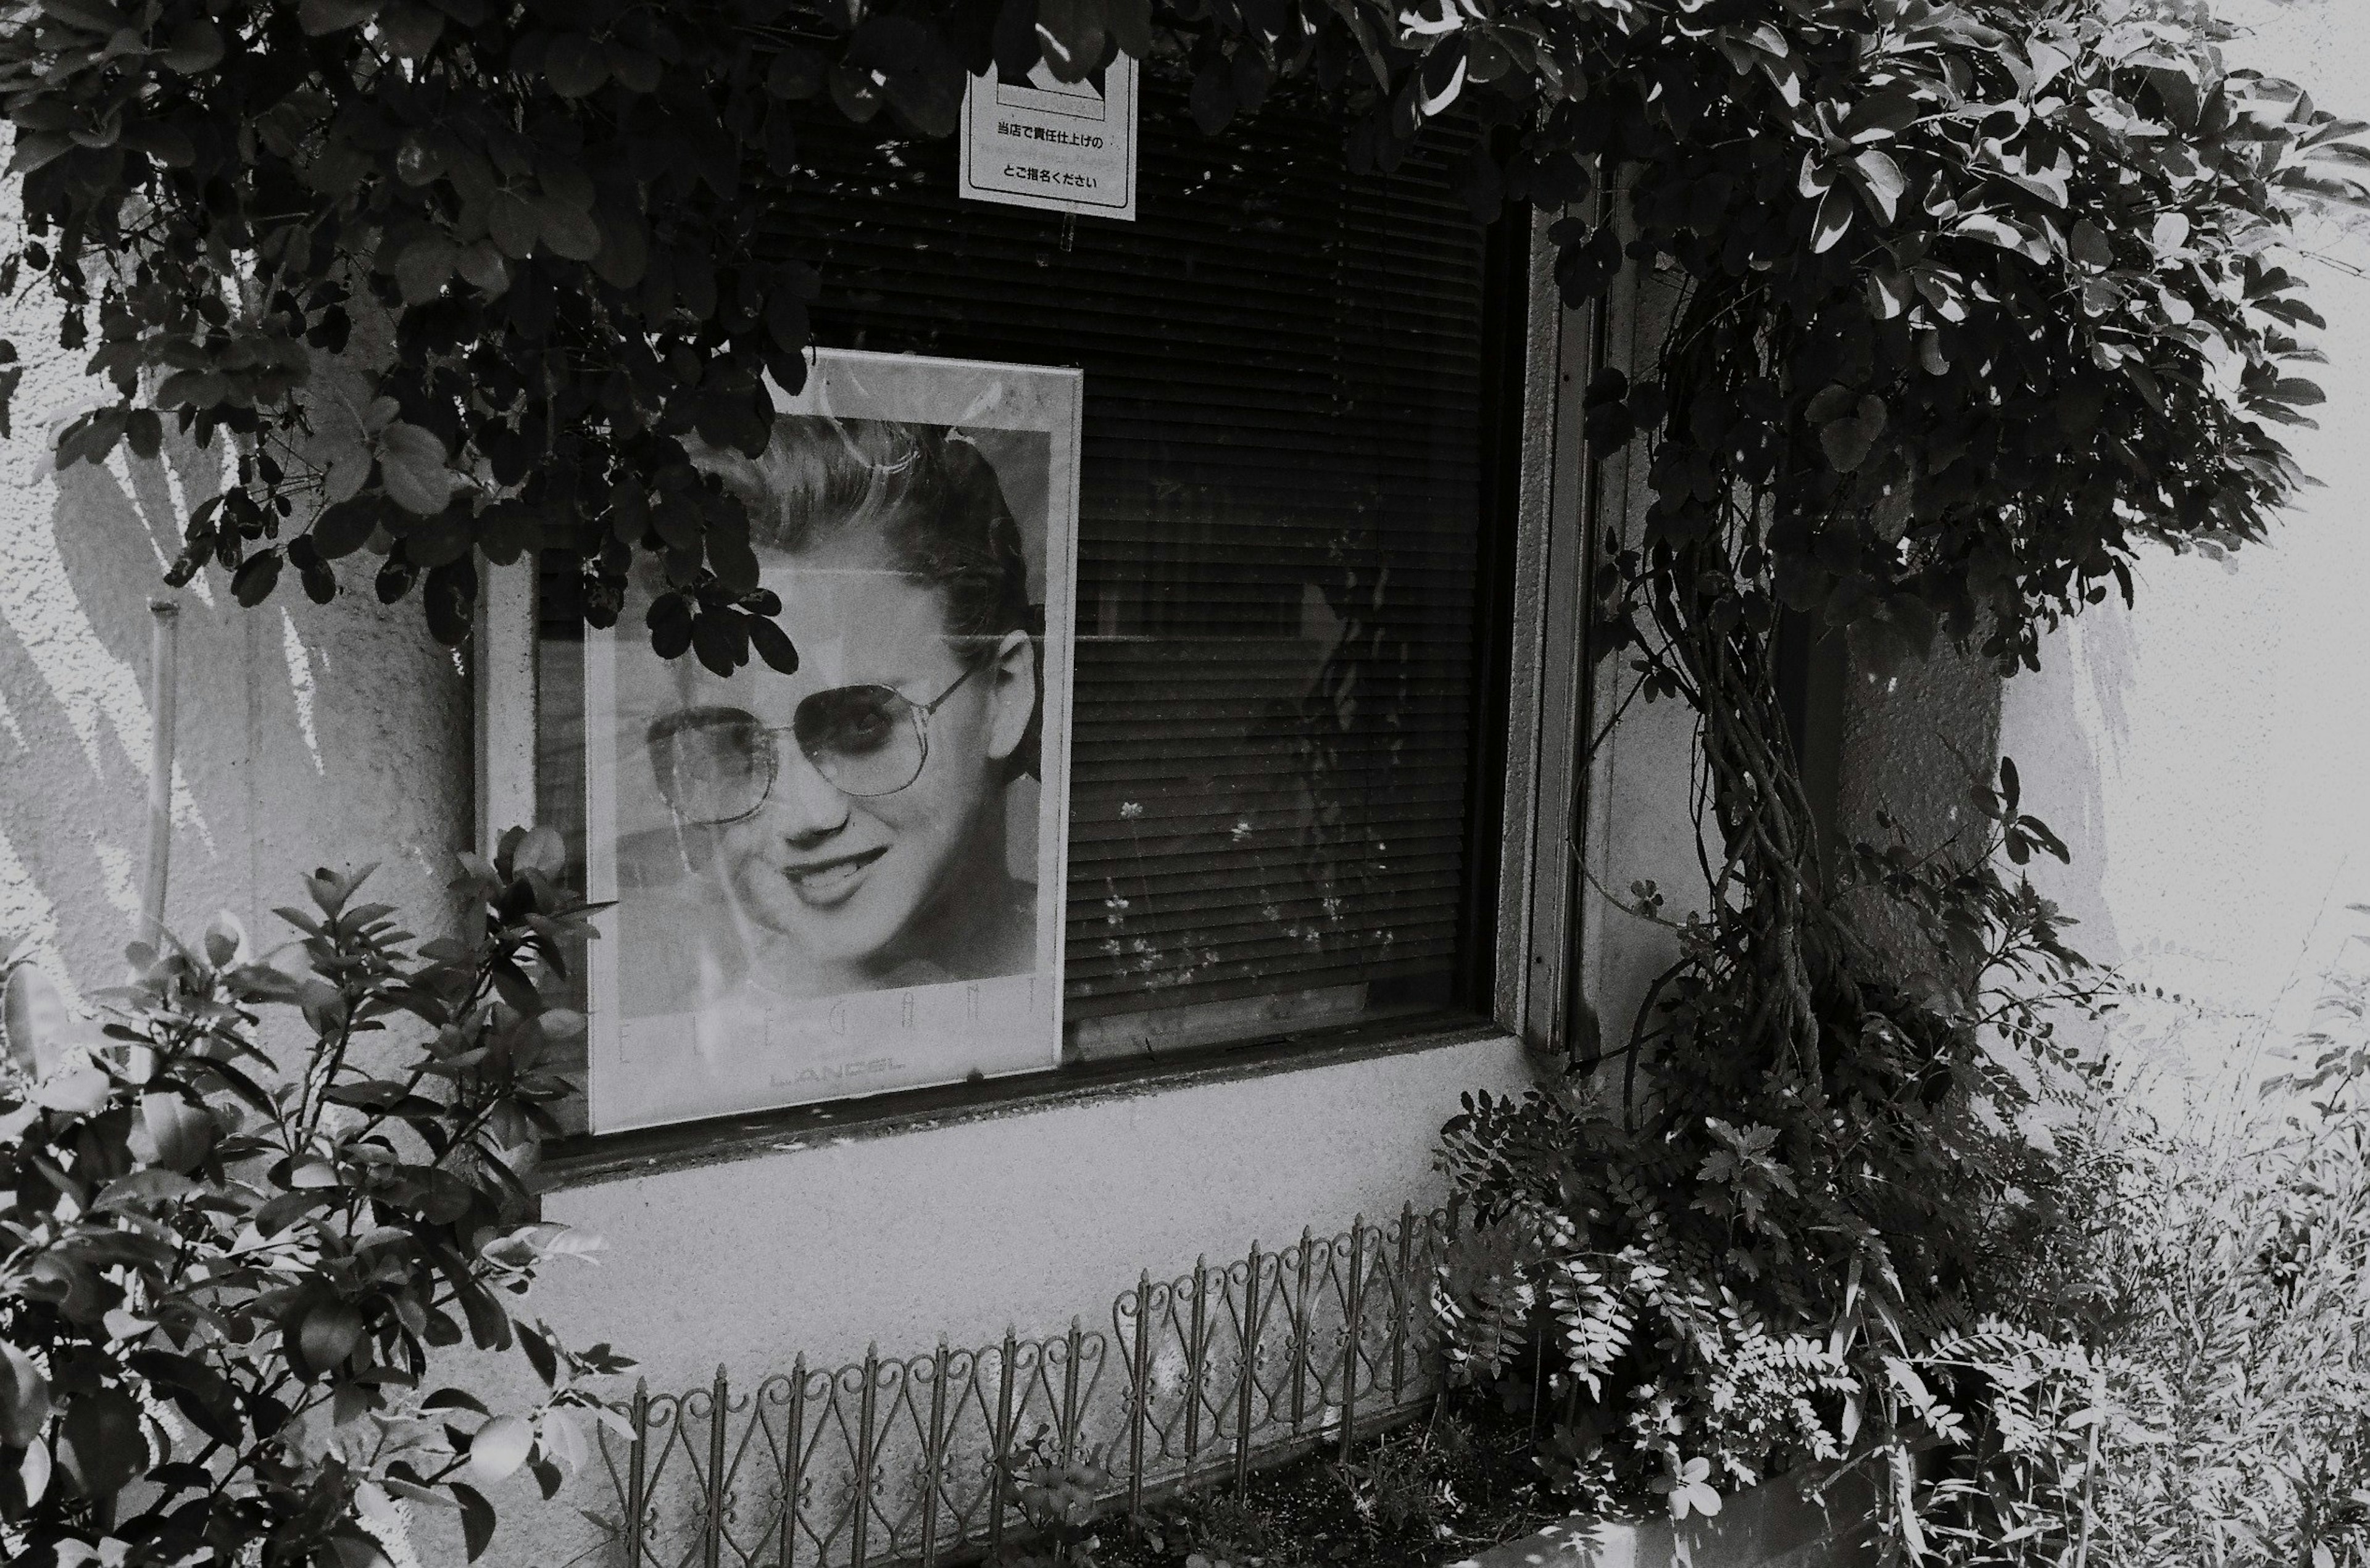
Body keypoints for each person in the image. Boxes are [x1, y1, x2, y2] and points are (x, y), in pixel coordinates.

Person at [615, 415, 1042, 1014]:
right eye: (737, 746)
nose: (805, 817)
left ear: (1004, 690)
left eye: (862, 724)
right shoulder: (676, 1041)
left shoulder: (1110, 967)